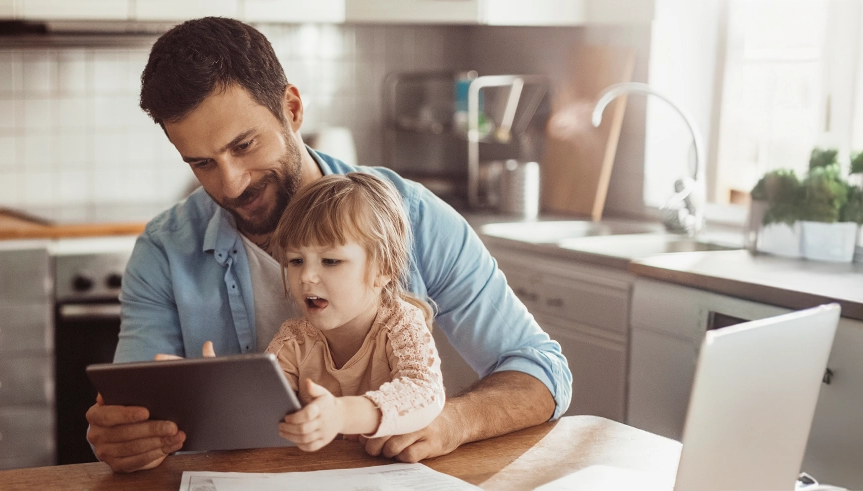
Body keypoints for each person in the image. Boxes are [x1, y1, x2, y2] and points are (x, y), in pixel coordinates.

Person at [85, 16, 572, 473]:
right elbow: (134, 408)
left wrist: (454, 422)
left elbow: (541, 370)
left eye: (244, 146)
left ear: (291, 109)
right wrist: (128, 439)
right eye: (202, 164)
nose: (231, 184)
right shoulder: (165, 251)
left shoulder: (411, 217)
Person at [266, 173, 445, 452]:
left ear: (383, 269)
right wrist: (230, 392)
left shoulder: (401, 324)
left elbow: (424, 392)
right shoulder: (293, 340)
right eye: (296, 260)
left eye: (331, 261)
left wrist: (342, 415)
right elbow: (266, 412)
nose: (307, 276)